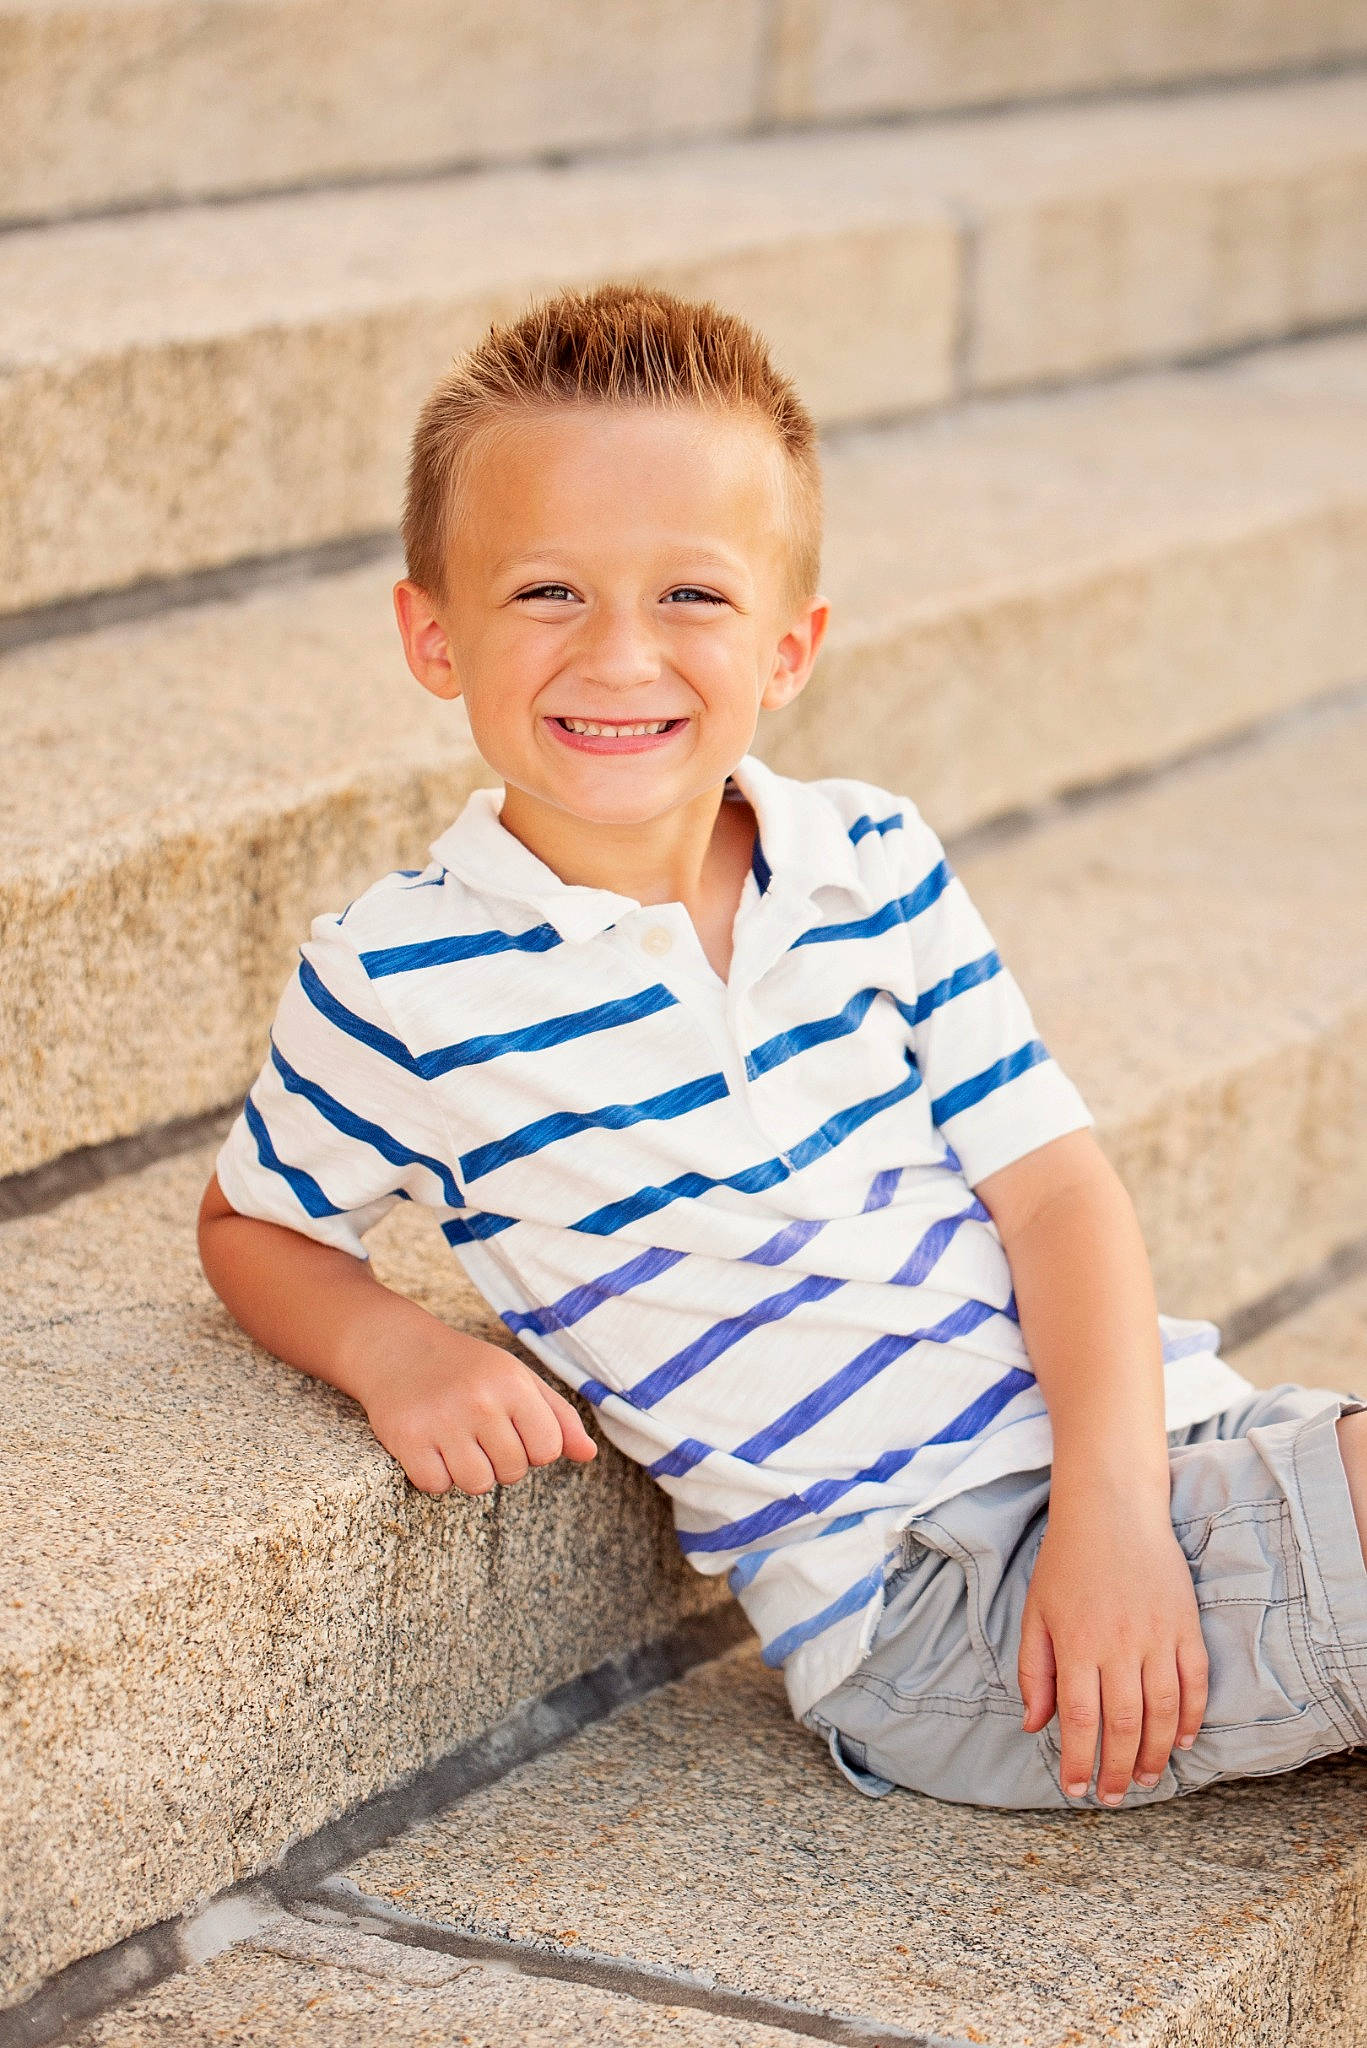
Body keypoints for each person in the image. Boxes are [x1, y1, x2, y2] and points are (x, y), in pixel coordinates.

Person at [198, 282, 1367, 1812]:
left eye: (692, 597)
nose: (622, 657)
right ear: (434, 633)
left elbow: (1057, 1194)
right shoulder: (403, 980)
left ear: (791, 644)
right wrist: (396, 1350)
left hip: (1143, 1471)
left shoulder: (869, 857)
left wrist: (1116, 1504)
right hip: (938, 1602)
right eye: (549, 593)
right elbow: (252, 1226)